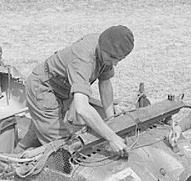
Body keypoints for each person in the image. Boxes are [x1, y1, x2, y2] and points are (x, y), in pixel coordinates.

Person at [16, 25, 134, 156]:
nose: (115, 63)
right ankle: (14, 164)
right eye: (112, 58)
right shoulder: (83, 59)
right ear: (102, 47)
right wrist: (112, 137)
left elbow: (105, 82)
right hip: (43, 88)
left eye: (119, 59)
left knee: (40, 130)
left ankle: (17, 151)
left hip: (64, 88)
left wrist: (111, 120)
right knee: (61, 145)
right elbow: (82, 108)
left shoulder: (106, 46)